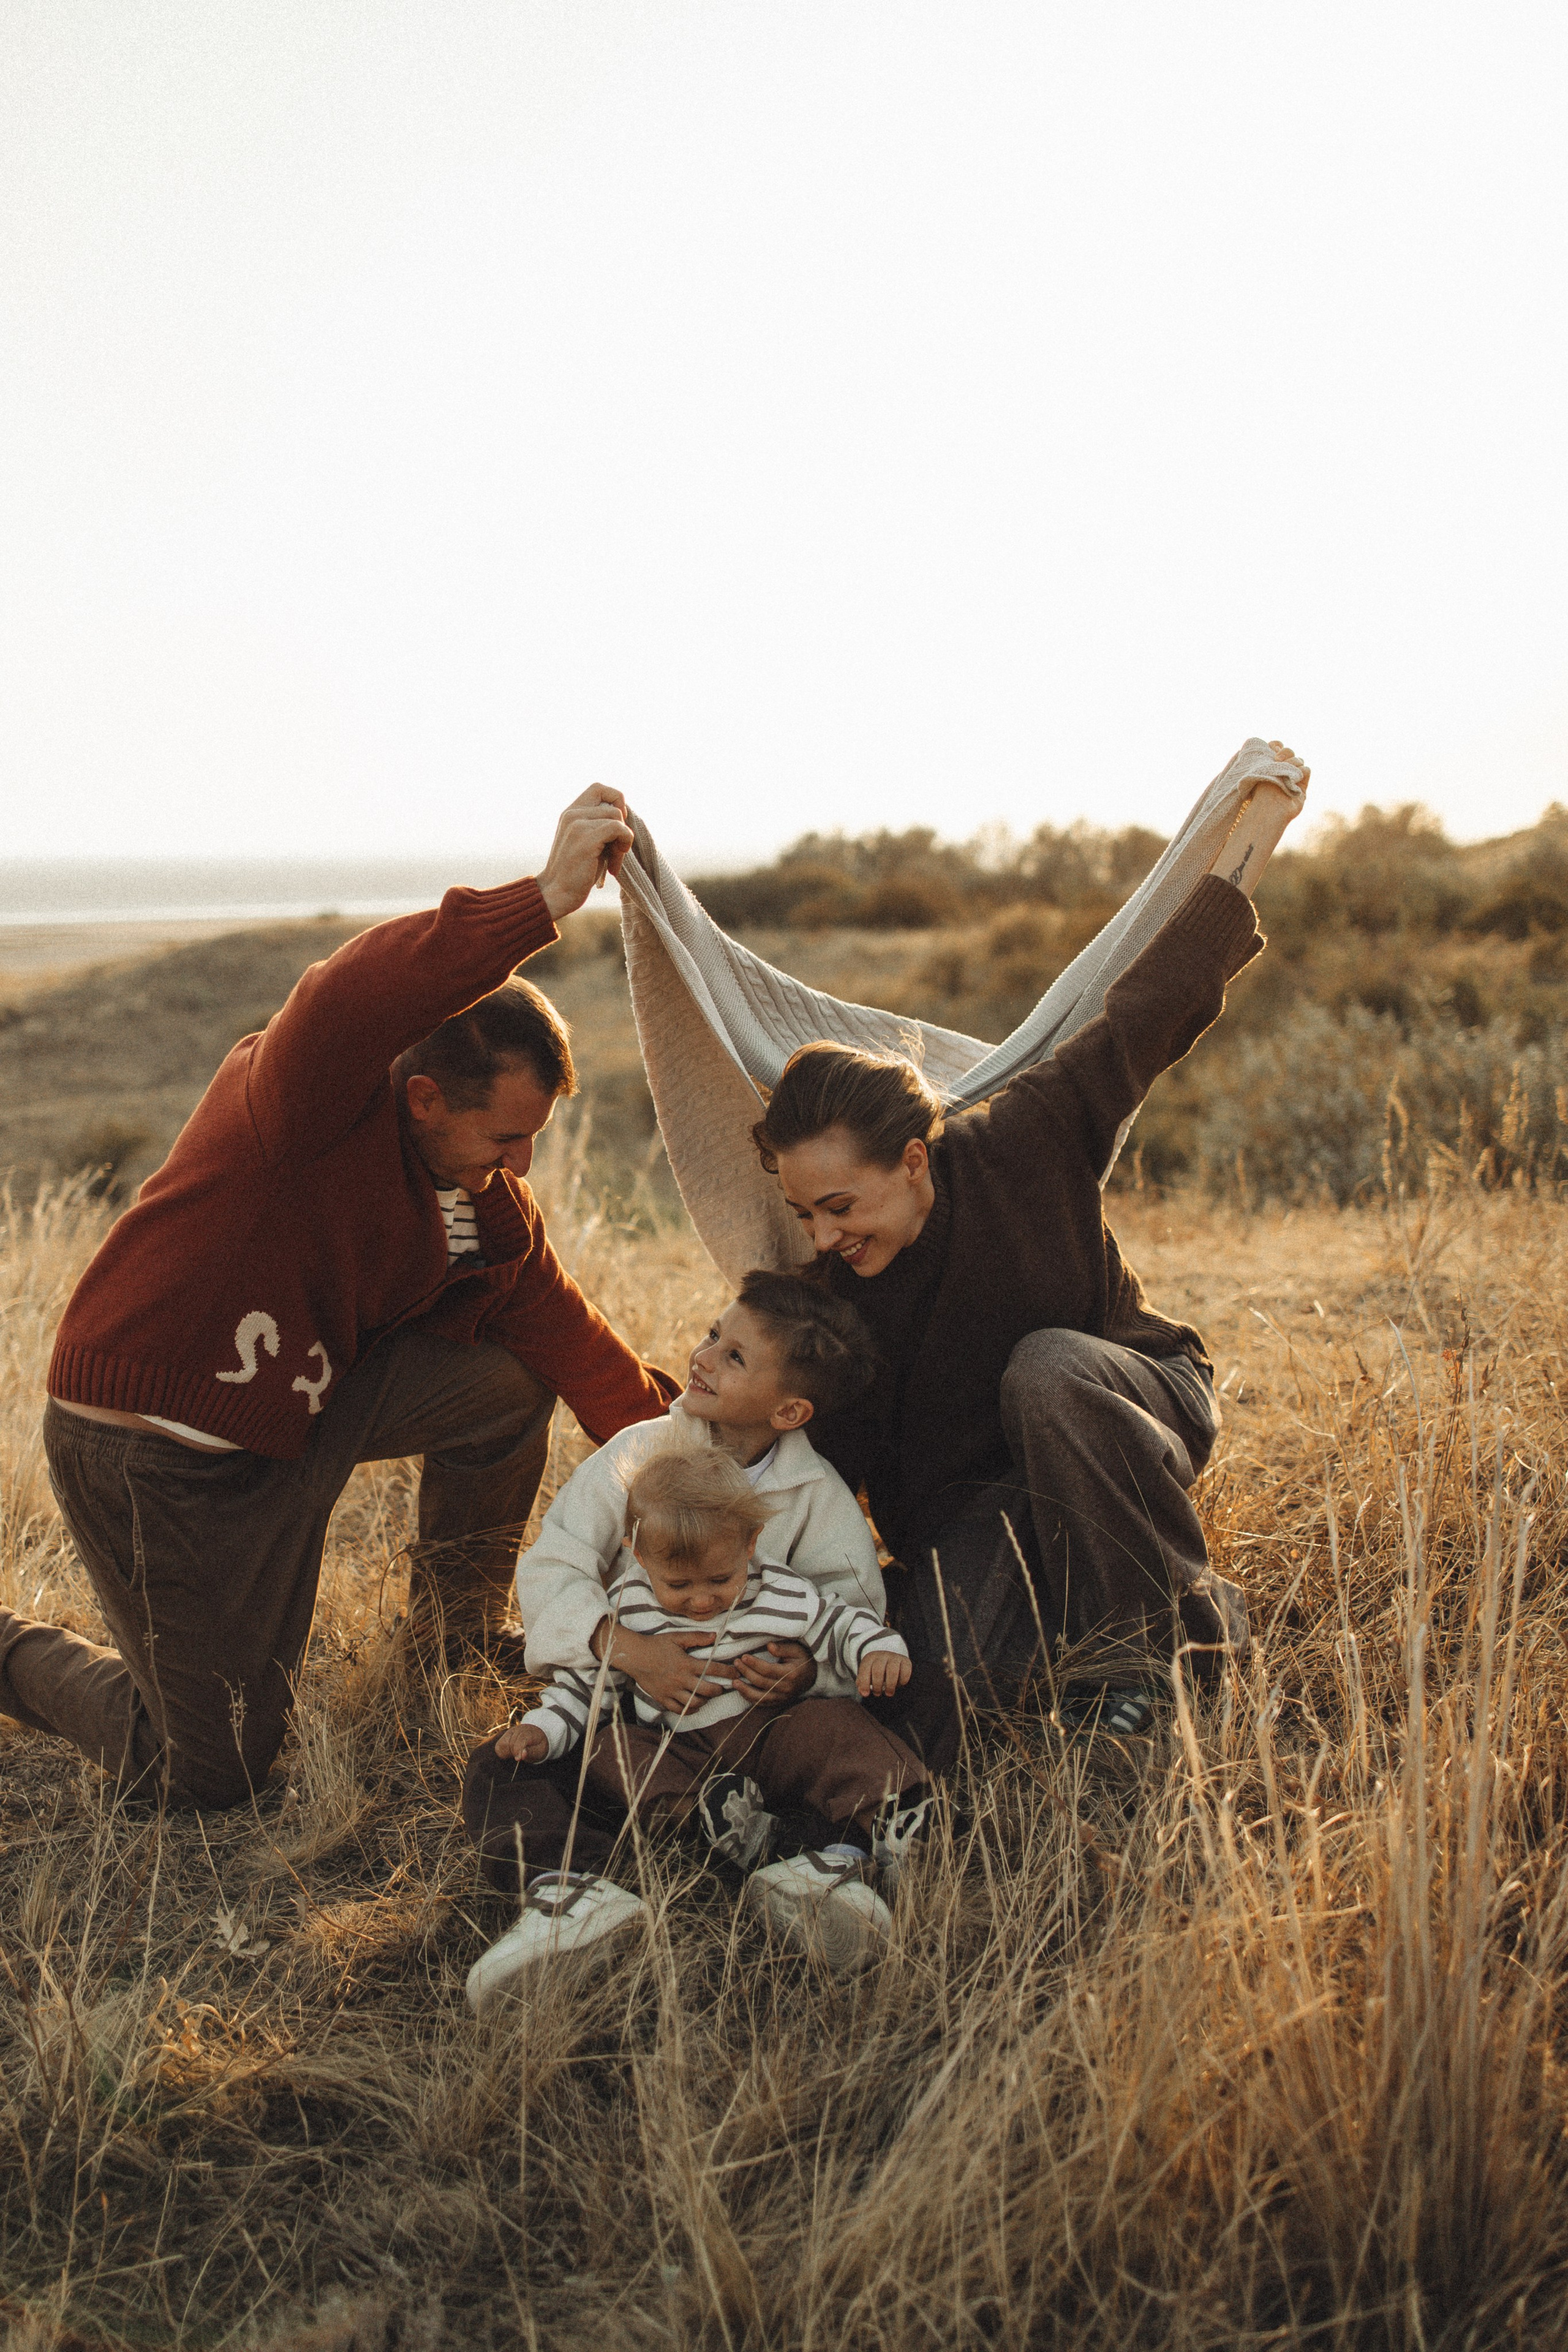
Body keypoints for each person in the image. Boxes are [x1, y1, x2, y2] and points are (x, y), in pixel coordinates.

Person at [0, 785, 681, 1809]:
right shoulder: (304, 1102)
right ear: (423, 1096)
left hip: (296, 1421)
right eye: (505, 1136)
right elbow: (351, 989)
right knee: (205, 1769)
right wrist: (542, 899)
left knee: (506, 1386)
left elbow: (576, 1345)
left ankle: (448, 1641)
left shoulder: (485, 1209)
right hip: (155, 1453)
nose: (525, 1162)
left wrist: (694, 1466)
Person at [748, 756, 1310, 1725]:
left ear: (916, 1160)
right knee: (946, 1690)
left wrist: (1254, 835)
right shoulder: (832, 1307)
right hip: (985, 1506)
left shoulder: (1024, 1139)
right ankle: (1092, 1611)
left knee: (1043, 1371)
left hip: (1129, 1397)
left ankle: (1160, 1658)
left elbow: (1146, 1012)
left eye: (842, 1204)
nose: (827, 1234)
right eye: (807, 1215)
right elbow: (813, 1464)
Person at [462, 1266, 958, 1888]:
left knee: (920, 1692)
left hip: (772, 1724)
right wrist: (630, 1651)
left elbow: (847, 1604)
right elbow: (555, 1563)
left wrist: (807, 1671)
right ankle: (577, 1891)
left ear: (789, 1409)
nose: (702, 1358)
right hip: (641, 1719)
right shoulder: (638, 1453)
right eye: (711, 1334)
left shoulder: (817, 1495)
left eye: (734, 1357)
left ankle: (823, 1856)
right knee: (506, 1765)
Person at [464, 1446, 930, 2010]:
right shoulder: (627, 1609)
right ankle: (718, 1824)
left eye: (720, 1578)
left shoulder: (781, 1590)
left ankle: (897, 1828)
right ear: (637, 1556)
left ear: (752, 1545)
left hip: (770, 1735)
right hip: (676, 1753)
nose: (703, 1599)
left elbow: (840, 1621)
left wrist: (876, 1649)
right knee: (609, 1750)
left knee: (837, 1727)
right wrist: (544, 1730)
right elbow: (589, 1689)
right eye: (679, 1585)